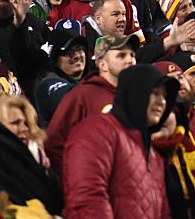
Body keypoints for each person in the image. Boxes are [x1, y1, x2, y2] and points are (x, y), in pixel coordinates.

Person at [63, 63, 179, 219]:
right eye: (154, 93)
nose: (162, 102)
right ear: (135, 93)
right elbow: (87, 200)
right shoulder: (97, 131)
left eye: (164, 96)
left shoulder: (152, 152)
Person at [44, 33, 139, 171]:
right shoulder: (82, 96)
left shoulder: (137, 95)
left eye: (132, 55)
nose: (130, 60)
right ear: (103, 65)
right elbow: (54, 144)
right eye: (121, 56)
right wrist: (77, 178)